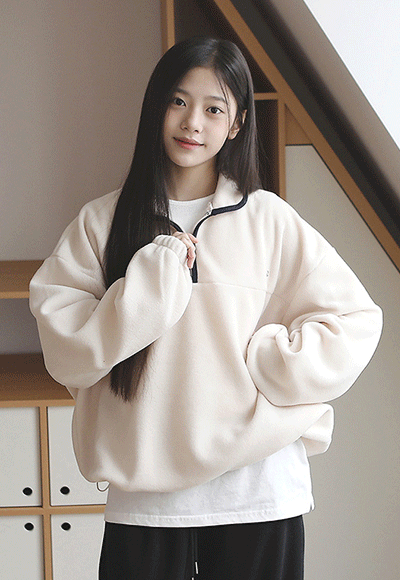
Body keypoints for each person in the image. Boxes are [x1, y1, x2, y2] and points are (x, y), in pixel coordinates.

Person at [29, 37, 382, 580]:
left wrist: (273, 363)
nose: (192, 122)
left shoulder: (268, 219)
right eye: (178, 100)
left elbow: (355, 320)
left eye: (214, 109)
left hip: (258, 489)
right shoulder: (103, 222)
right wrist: (147, 290)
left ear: (237, 124)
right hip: (147, 496)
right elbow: (64, 349)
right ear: (156, 106)